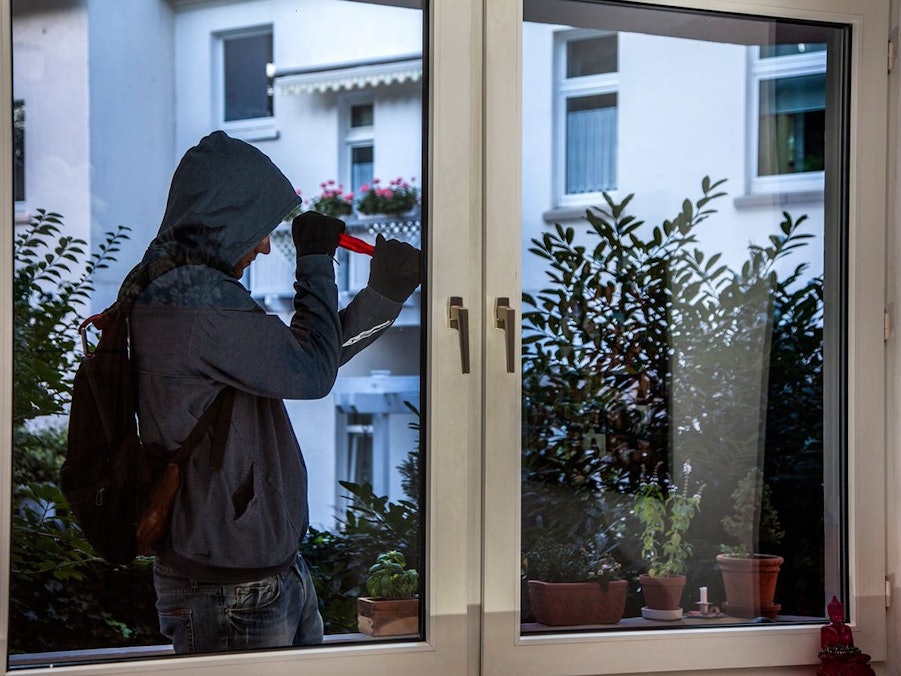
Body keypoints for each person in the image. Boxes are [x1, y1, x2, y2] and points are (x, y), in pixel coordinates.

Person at [123, 130, 420, 654]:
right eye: (258, 229)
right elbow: (310, 374)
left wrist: (382, 296)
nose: (264, 246)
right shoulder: (193, 301)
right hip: (229, 588)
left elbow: (304, 360)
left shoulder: (192, 292)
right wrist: (315, 263)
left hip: (262, 571)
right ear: (222, 218)